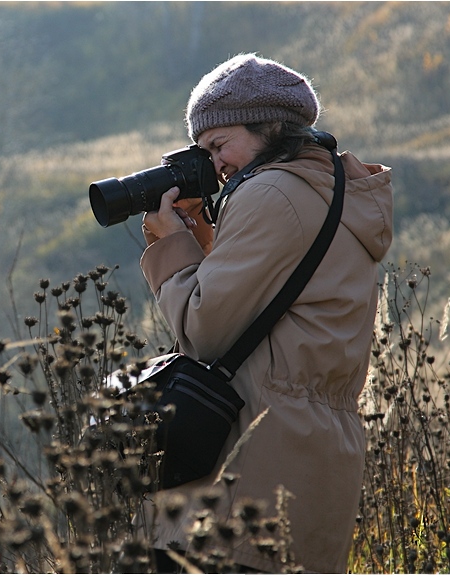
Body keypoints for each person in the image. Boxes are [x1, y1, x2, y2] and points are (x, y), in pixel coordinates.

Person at [139, 53, 393, 573]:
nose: (213, 165)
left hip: (249, 473)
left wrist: (170, 246)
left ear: (269, 127)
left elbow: (204, 331)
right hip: (315, 462)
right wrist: (205, 239)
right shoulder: (328, 191)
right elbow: (266, 305)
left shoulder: (270, 192)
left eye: (218, 144)